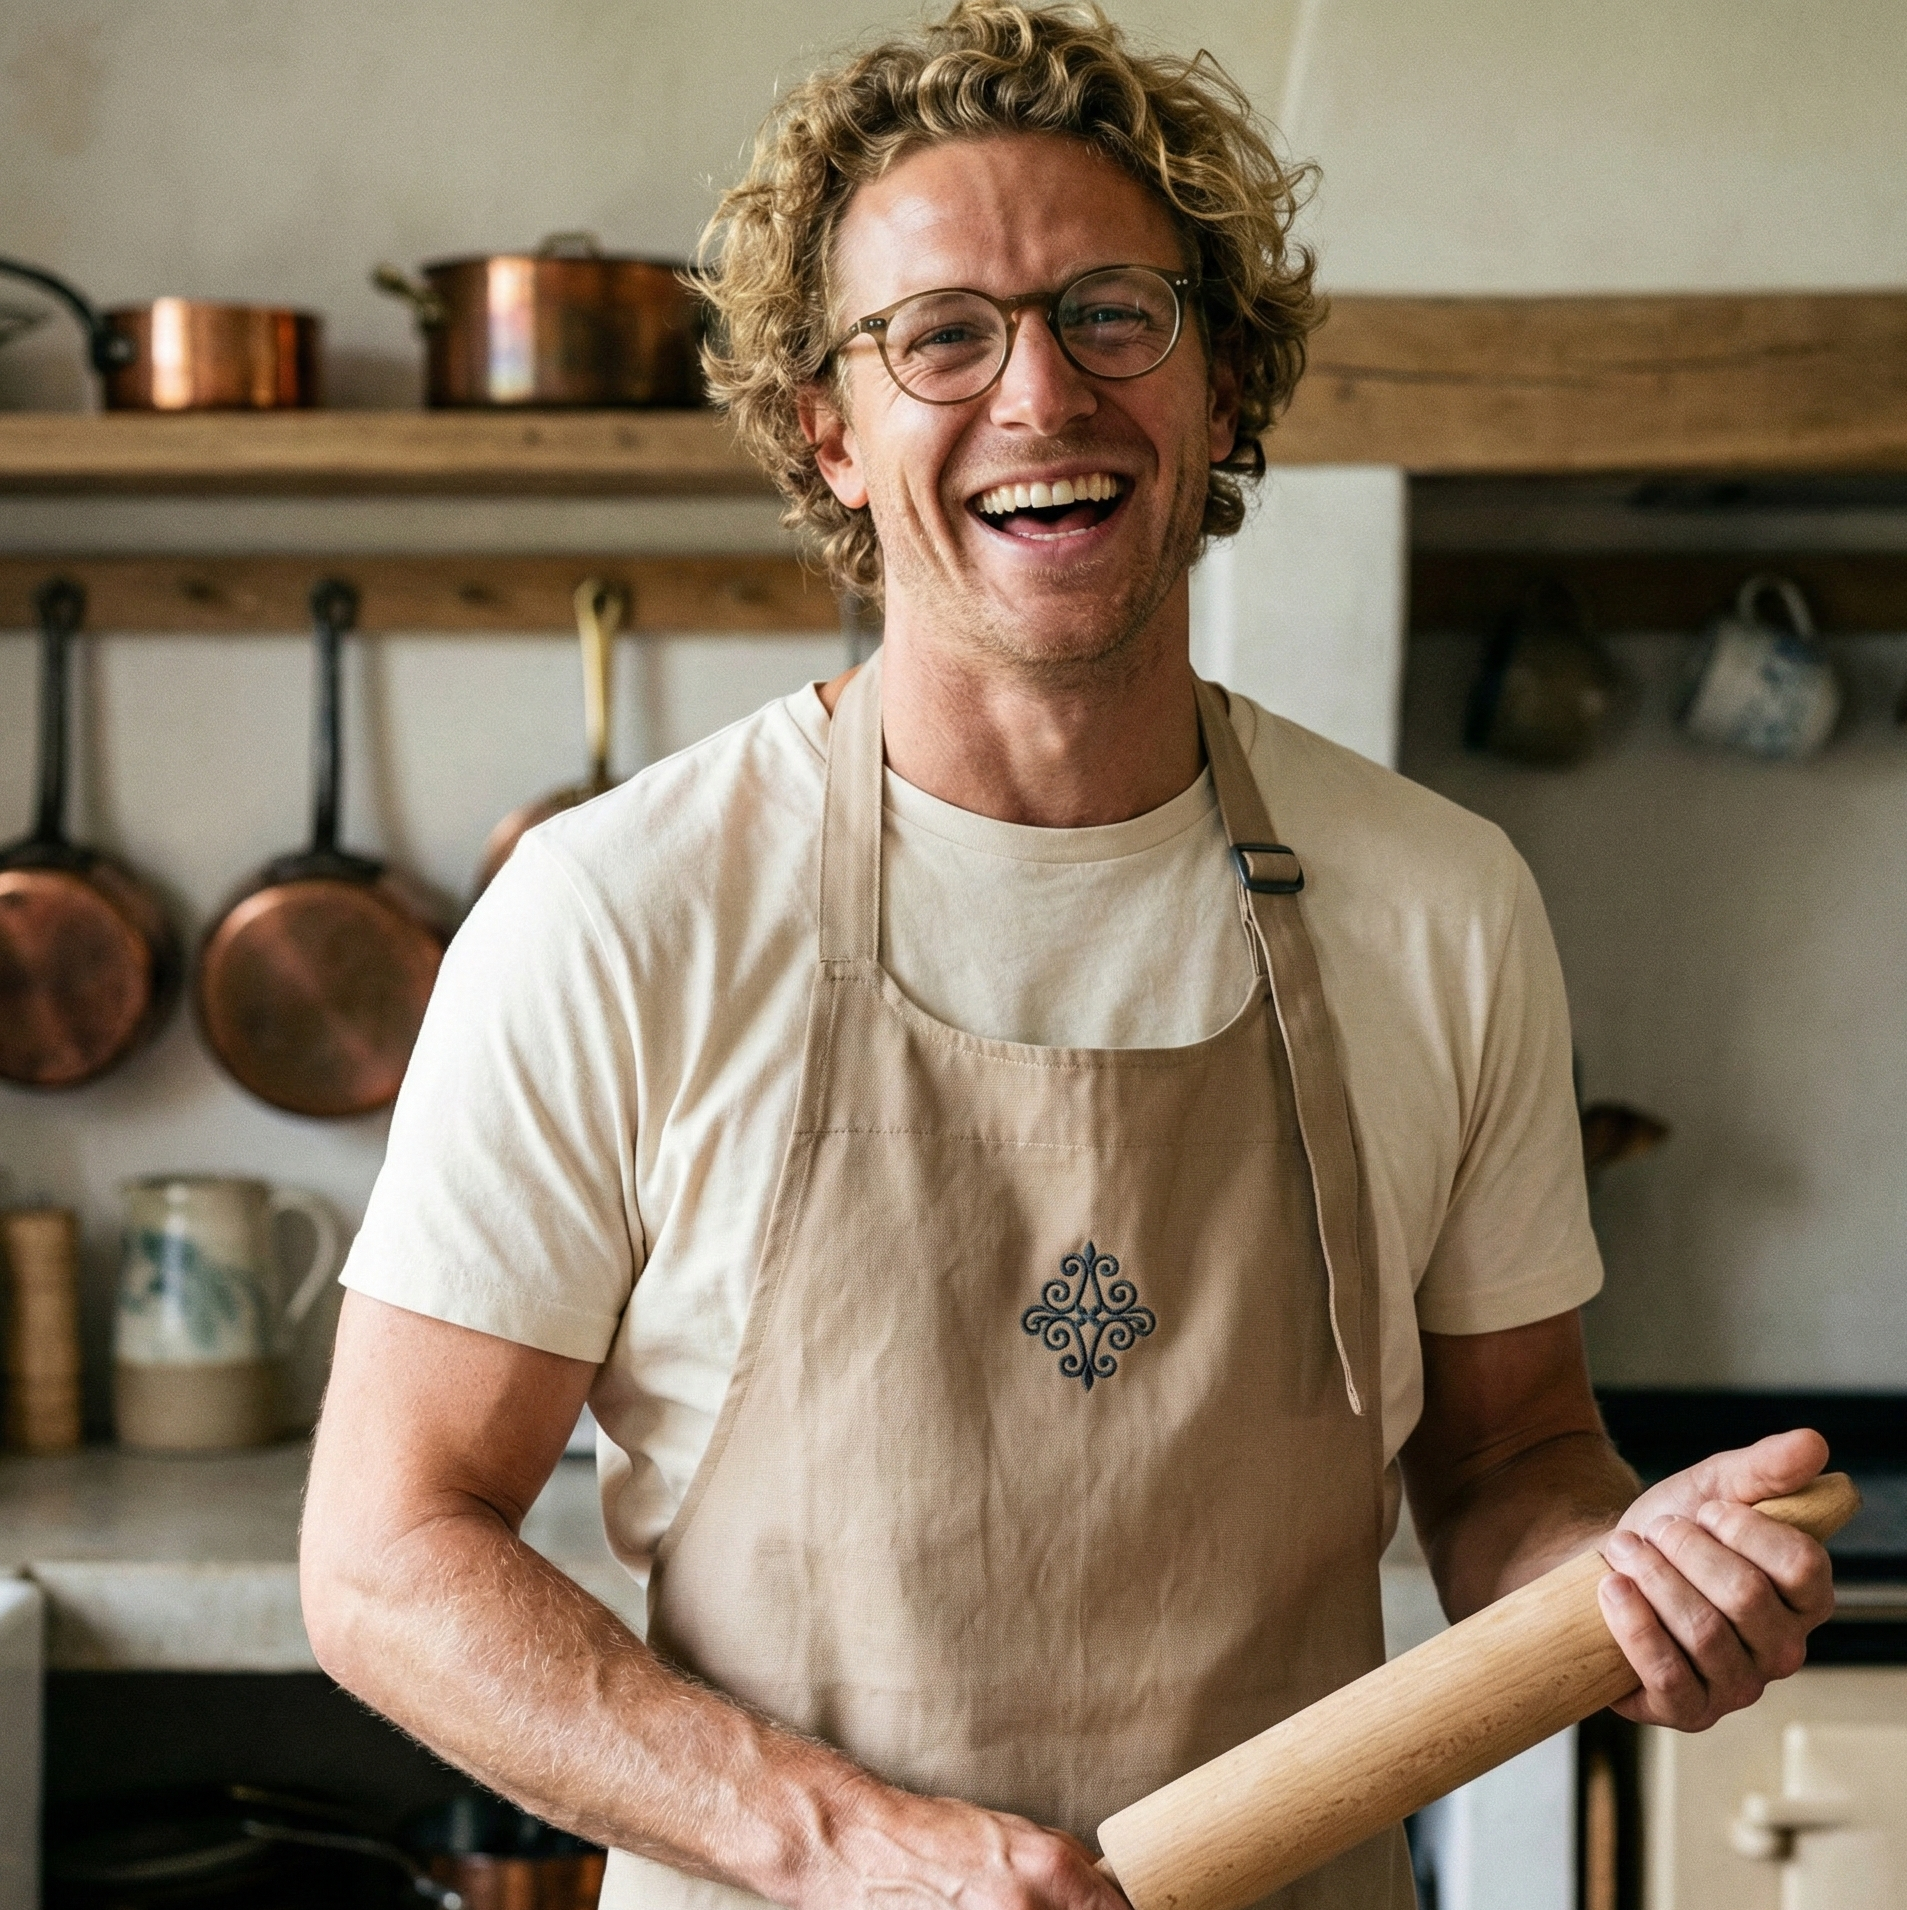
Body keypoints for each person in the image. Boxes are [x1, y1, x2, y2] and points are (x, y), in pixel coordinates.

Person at [300, 6, 1837, 1907]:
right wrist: (850, 1846)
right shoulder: (619, 910)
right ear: (828, 432)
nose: (1040, 397)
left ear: (1217, 386)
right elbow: (383, 1551)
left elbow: (1512, 1457)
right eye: (940, 334)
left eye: (1115, 312)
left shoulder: (1439, 900)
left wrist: (1624, 1582)